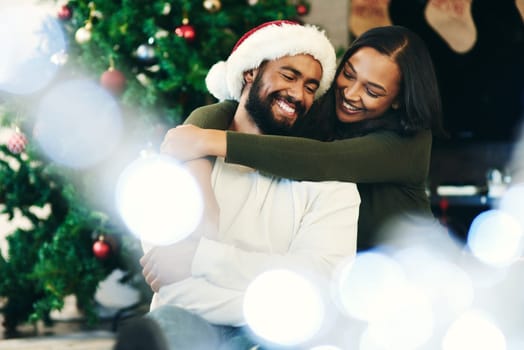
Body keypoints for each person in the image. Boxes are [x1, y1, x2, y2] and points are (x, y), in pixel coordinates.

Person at [115, 20, 360, 350]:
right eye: (289, 76)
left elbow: (320, 280)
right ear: (250, 72)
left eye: (311, 86)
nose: (299, 94)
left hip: (280, 333)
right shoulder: (179, 164)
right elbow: (174, 285)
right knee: (160, 329)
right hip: (191, 323)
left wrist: (201, 258)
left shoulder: (330, 178)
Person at [160, 25, 446, 251]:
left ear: (398, 100)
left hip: (410, 280)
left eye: (372, 91)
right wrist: (197, 177)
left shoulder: (411, 142)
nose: (350, 93)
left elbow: (325, 161)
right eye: (348, 75)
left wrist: (208, 142)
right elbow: (236, 107)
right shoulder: (321, 109)